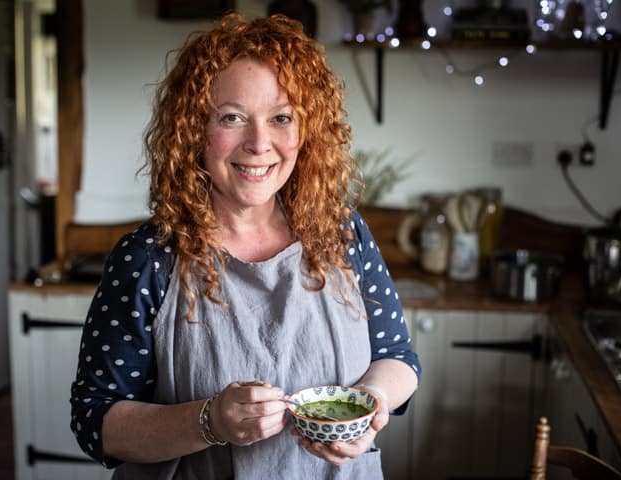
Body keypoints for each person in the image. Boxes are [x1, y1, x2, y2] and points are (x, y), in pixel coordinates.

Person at [70, 12, 420, 479]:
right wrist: (208, 422)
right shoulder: (149, 256)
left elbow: (397, 358)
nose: (259, 143)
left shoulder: (343, 233)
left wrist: (371, 405)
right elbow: (97, 421)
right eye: (232, 117)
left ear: (306, 131)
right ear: (194, 130)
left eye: (281, 118)